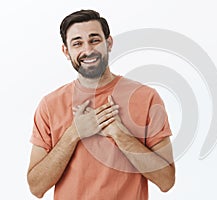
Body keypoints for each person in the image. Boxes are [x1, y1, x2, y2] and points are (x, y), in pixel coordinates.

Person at [27, 9, 175, 200]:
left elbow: (166, 181)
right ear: (66, 51)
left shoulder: (146, 98)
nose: (88, 50)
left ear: (109, 43)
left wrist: (120, 135)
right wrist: (74, 134)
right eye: (77, 43)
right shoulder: (50, 105)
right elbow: (36, 187)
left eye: (94, 40)